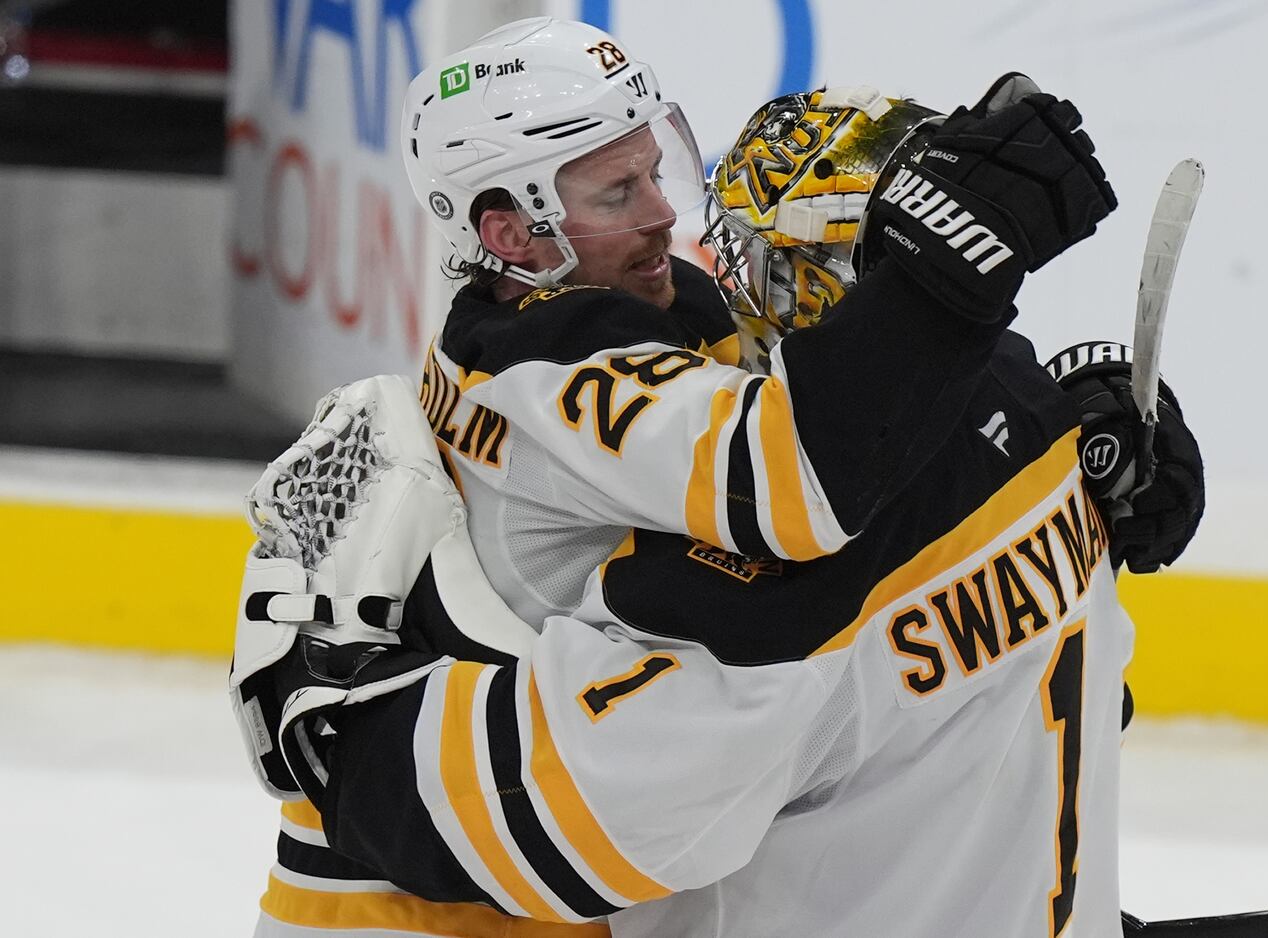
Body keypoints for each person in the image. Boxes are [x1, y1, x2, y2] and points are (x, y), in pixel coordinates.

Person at [234, 79, 1203, 936]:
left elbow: (546, 820)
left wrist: (336, 735)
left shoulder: (775, 595)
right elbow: (1035, 702)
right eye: (621, 191)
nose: (684, 235)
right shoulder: (1029, 427)